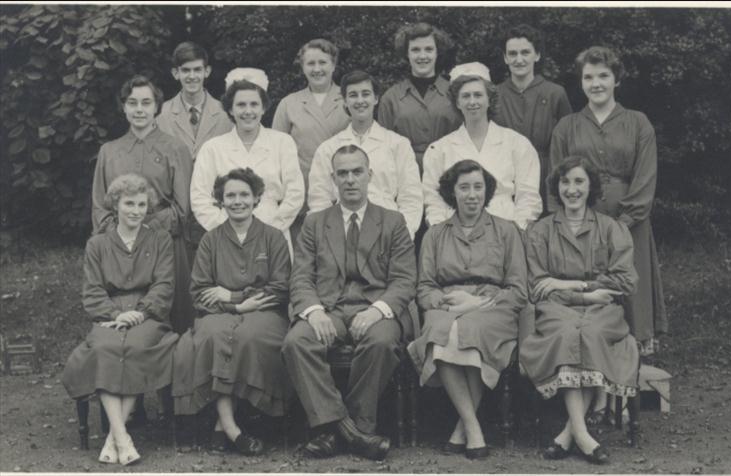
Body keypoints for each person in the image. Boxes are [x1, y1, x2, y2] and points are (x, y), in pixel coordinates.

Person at [549, 46, 667, 419]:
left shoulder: (638, 122)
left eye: (603, 76)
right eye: (588, 77)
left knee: (625, 304)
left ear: (616, 79)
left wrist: (617, 228)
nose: (596, 83)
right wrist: (573, 227)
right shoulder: (567, 126)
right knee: (587, 302)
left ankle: (622, 395)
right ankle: (589, 391)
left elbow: (645, 181)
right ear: (580, 82)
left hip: (627, 226)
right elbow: (556, 181)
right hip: (577, 227)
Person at [282, 144, 417, 461]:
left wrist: (376, 311)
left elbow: (404, 280)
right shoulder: (315, 223)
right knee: (296, 342)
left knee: (381, 342)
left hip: (375, 308)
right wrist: (314, 312)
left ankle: (344, 429)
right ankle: (353, 433)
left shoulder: (393, 221)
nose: (350, 179)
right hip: (329, 309)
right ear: (333, 179)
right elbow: (300, 278)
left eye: (357, 172)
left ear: (370, 175)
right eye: (342, 173)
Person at [518, 156, 639, 465]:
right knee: (569, 332)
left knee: (590, 331)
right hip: (557, 310)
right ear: (557, 188)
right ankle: (584, 436)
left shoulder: (611, 228)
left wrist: (562, 285)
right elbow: (536, 285)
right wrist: (585, 290)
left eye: (579, 182)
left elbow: (625, 281)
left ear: (591, 187)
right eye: (565, 182)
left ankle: (569, 434)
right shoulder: (541, 231)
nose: (572, 189)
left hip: (603, 311)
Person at [408, 159, 528, 460]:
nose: (472, 194)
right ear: (452, 192)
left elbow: (518, 290)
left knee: (469, 329)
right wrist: (446, 302)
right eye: (464, 188)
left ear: (487, 191)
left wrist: (478, 302)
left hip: (492, 306)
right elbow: (424, 287)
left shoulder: (506, 231)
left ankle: (463, 428)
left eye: (478, 187)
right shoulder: (435, 234)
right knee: (441, 330)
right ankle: (473, 427)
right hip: (446, 305)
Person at [172, 168, 291, 456]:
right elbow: (199, 293)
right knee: (213, 335)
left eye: (244, 195)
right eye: (230, 196)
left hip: (265, 314)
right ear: (220, 201)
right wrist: (235, 305)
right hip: (220, 313)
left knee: (249, 337)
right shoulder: (210, 240)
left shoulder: (273, 238)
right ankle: (229, 427)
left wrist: (235, 294)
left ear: (257, 198)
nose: (238, 201)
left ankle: (235, 422)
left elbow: (281, 288)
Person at [64, 174, 179, 466]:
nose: (136, 210)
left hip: (148, 314)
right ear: (116, 204)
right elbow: (92, 291)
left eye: (141, 204)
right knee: (105, 350)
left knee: (137, 349)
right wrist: (116, 314)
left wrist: (141, 312)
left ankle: (114, 437)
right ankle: (122, 435)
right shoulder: (97, 244)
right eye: (129, 203)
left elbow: (164, 285)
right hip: (109, 315)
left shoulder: (160, 239)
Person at [91, 75, 193, 334]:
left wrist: (148, 229)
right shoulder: (109, 151)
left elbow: (183, 209)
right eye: (132, 102)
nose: (139, 109)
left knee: (173, 313)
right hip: (120, 241)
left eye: (146, 103)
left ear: (157, 107)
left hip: (165, 239)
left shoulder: (175, 148)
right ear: (124, 107)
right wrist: (119, 234)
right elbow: (100, 206)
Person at [191, 68, 305, 256]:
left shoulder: (282, 142)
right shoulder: (212, 148)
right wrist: (227, 231)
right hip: (226, 236)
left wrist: (271, 230)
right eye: (241, 105)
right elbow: (200, 198)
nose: (248, 111)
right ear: (230, 109)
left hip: (273, 230)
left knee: (274, 283)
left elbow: (295, 193)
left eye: (254, 104)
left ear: (263, 108)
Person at [422, 62, 542, 231]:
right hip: (456, 233)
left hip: (505, 229)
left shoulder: (517, 143)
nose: (472, 102)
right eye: (465, 96)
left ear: (489, 99)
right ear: (457, 102)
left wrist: (516, 231)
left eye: (478, 95)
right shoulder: (439, 149)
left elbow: (528, 198)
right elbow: (433, 199)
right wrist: (443, 233)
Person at [308, 70, 423, 238]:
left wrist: (402, 235)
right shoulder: (328, 148)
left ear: (376, 99)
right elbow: (319, 200)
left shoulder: (398, 144)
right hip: (343, 234)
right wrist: (330, 238)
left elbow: (411, 197)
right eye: (353, 95)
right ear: (345, 101)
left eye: (366, 94)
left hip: (388, 233)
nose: (360, 101)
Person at [157, 41, 234, 268]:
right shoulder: (161, 115)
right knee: (177, 270)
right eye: (185, 70)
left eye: (197, 70)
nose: (192, 76)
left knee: (212, 267)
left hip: (213, 204)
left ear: (207, 71)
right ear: (175, 73)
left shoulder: (225, 113)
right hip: (175, 204)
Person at [272, 39, 351, 243]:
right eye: (310, 63)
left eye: (323, 63)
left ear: (333, 65)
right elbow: (274, 155)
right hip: (301, 197)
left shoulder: (350, 100)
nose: (317, 69)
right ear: (302, 67)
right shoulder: (288, 104)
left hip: (342, 191)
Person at [494, 25, 572, 213]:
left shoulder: (555, 93)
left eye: (525, 52)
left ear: (537, 55)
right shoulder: (494, 94)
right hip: (505, 177)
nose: (519, 59)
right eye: (512, 54)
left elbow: (569, 143)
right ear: (505, 58)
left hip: (545, 176)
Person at [377, 22, 461, 174]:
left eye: (429, 49)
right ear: (407, 54)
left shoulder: (456, 93)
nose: (422, 56)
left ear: (437, 52)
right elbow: (383, 149)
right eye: (415, 50)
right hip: (404, 177)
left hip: (448, 174)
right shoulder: (391, 98)